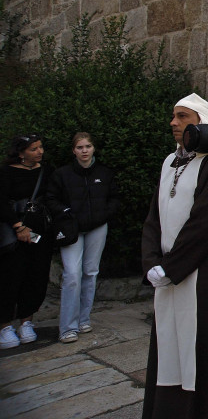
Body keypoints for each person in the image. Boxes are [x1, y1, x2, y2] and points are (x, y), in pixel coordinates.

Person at [142, 93, 208, 419]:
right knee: (170, 347)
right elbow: (153, 218)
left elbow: (206, 221)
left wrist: (171, 268)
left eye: (183, 116)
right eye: (174, 115)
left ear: (200, 122)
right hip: (170, 270)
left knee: (200, 352)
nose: (174, 122)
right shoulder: (168, 161)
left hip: (205, 269)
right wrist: (150, 263)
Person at [46, 132, 120, 344]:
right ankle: (67, 327)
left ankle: (83, 319)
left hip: (97, 227)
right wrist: (67, 212)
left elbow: (114, 198)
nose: (84, 150)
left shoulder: (104, 173)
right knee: (71, 275)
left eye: (88, 146)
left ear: (93, 148)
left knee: (90, 272)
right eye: (80, 147)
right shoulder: (63, 174)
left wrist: (104, 214)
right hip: (72, 229)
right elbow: (51, 198)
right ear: (74, 150)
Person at [0, 134, 53, 350]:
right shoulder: (7, 172)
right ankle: (4, 326)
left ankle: (26, 321)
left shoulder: (47, 171)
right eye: (33, 149)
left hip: (40, 232)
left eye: (40, 147)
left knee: (36, 276)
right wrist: (18, 226)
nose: (39, 152)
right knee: (10, 277)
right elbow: (1, 202)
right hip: (14, 233)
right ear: (21, 153)